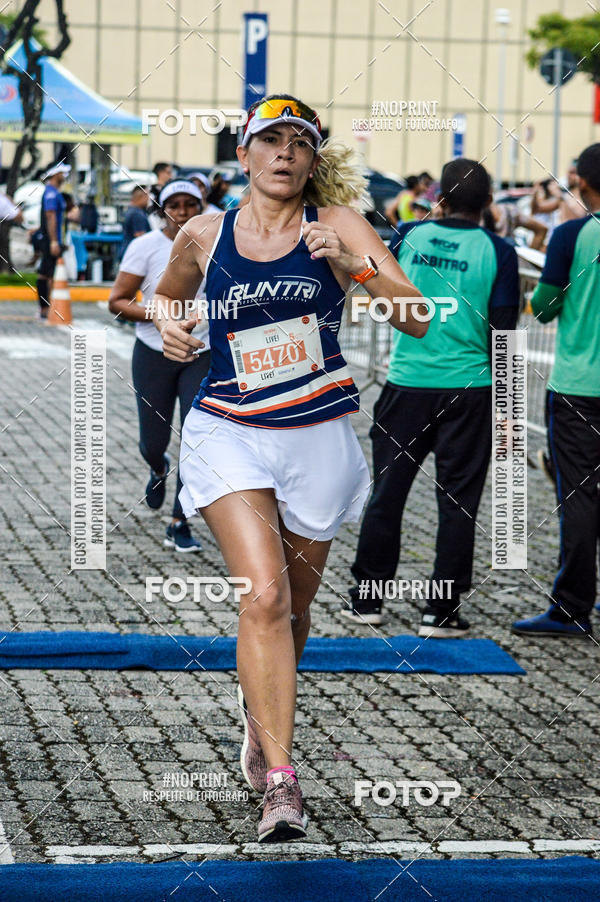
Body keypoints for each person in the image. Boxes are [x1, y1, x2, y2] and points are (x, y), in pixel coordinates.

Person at [151, 93, 426, 842]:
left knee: (296, 612)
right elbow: (163, 300)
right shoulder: (206, 232)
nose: (283, 154)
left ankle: (258, 717)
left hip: (319, 438)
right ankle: (281, 780)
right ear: (242, 156)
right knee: (265, 600)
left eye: (298, 143)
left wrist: (355, 267)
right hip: (228, 429)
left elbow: (416, 313)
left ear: (312, 160)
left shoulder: (335, 226)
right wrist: (173, 329)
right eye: (268, 141)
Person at [344, 158, 520, 636]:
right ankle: (440, 612)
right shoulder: (499, 252)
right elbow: (504, 336)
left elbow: (376, 287)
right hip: (470, 390)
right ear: (488, 204)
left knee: (387, 494)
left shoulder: (408, 235)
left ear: (437, 197)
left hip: (407, 384)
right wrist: (508, 413)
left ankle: (367, 599)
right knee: (458, 503)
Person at [512, 144, 600, 638]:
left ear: (582, 184)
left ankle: (571, 607)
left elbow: (543, 308)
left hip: (579, 387)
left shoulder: (570, 235)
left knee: (581, 496)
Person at [108, 179, 210, 551]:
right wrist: (157, 315)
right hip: (153, 351)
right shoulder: (145, 246)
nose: (182, 211)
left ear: (202, 205)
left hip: (203, 351)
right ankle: (157, 467)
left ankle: (179, 520)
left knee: (195, 438)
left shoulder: (216, 243)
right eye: (174, 204)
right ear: (161, 209)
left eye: (190, 204)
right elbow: (117, 301)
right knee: (153, 440)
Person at [36, 162, 70, 319]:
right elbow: (51, 217)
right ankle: (45, 308)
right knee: (46, 275)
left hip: (53, 239)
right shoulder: (51, 193)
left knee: (50, 274)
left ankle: (47, 307)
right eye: (62, 173)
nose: (65, 176)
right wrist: (54, 241)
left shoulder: (54, 192)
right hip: (51, 240)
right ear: (56, 174)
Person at [121, 185, 150, 257]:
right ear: (141, 197)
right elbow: (141, 238)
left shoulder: (130, 210)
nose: (148, 199)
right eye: (147, 196)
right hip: (133, 255)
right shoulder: (137, 214)